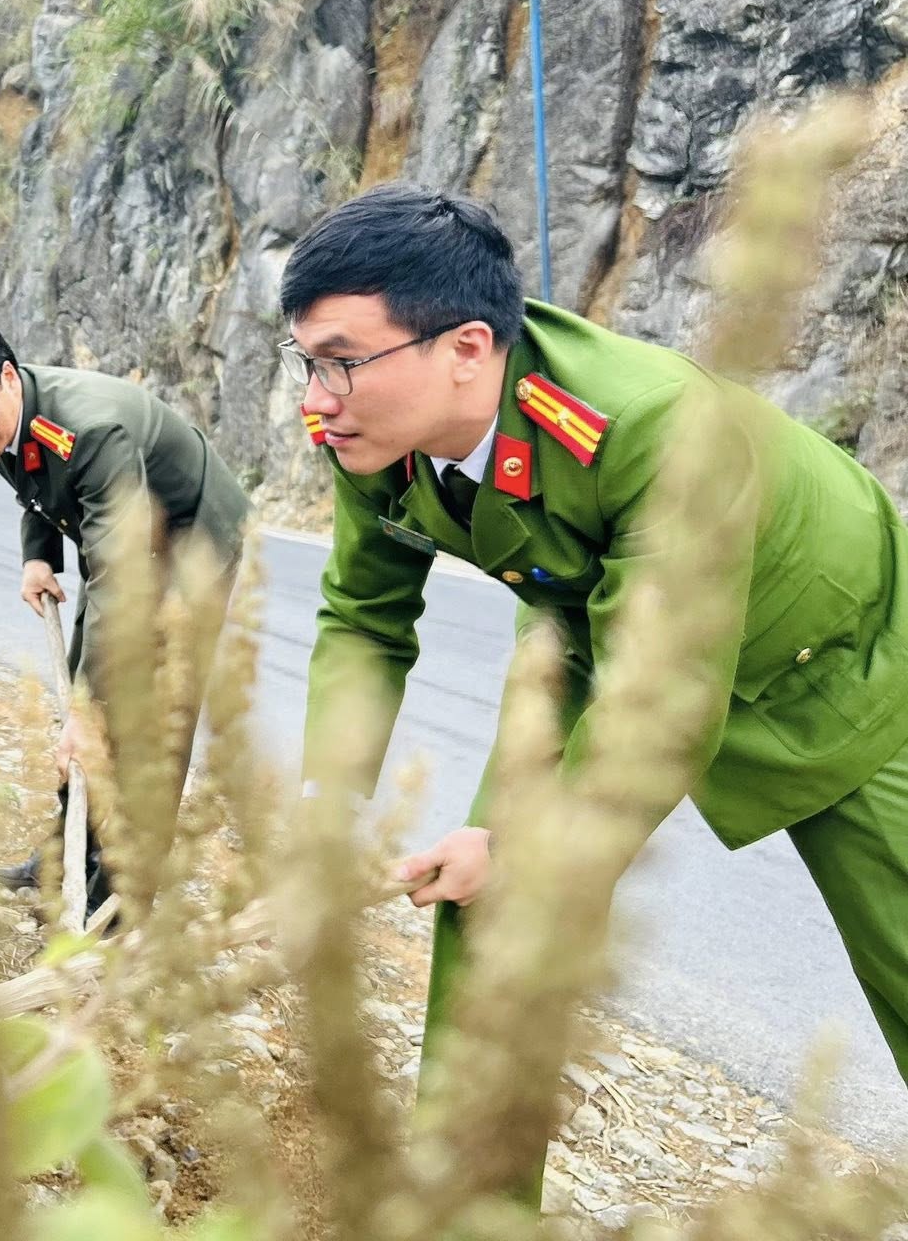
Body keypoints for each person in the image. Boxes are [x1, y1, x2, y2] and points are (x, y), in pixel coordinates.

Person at [283, 183, 908, 1201]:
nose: (315, 397)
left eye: (340, 361)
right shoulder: (369, 438)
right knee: (487, 911)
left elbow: (661, 706)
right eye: (305, 361)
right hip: (597, 639)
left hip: (846, 656)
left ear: (464, 348)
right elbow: (362, 615)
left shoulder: (650, 428)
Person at [0, 319, 249, 901]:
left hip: (194, 543)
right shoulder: (3, 418)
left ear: (7, 377)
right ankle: (64, 857)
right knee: (85, 685)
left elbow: (121, 585)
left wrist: (88, 713)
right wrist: (38, 557)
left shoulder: (89, 427)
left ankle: (121, 896)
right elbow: (35, 478)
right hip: (122, 534)